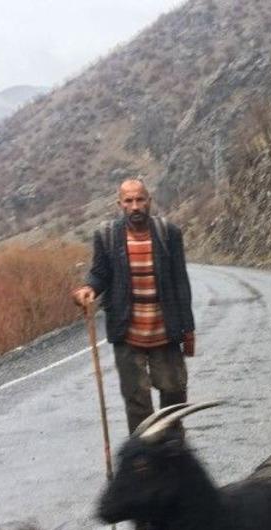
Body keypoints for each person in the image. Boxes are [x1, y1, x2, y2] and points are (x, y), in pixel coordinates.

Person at [73, 179, 196, 434]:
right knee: (137, 400)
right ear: (120, 204)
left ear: (149, 201)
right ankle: (143, 453)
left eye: (140, 199)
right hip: (127, 332)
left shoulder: (168, 233)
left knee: (174, 393)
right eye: (128, 201)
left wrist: (188, 330)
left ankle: (173, 448)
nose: (135, 206)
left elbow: (180, 282)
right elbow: (100, 273)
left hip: (165, 330)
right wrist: (89, 289)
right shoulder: (107, 236)